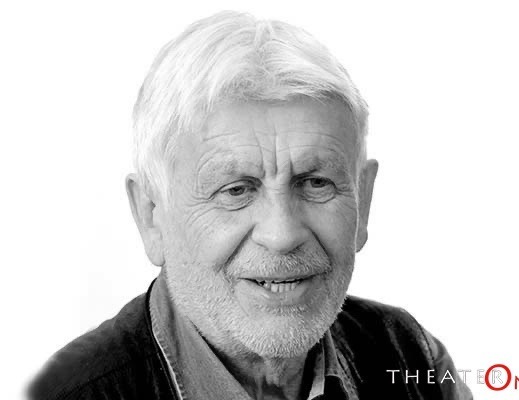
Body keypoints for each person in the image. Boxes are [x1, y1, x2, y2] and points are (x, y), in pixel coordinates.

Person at [29, 11, 472, 400]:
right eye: (236, 190)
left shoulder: (416, 363)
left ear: (363, 198)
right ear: (151, 214)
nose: (282, 235)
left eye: (315, 183)